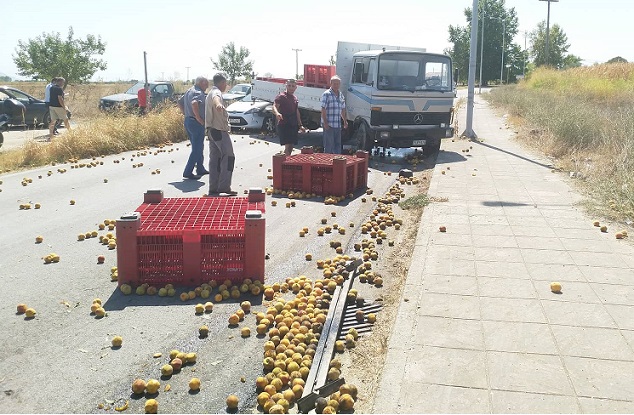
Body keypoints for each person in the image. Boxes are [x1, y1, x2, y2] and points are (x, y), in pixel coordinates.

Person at [204, 73, 236, 196]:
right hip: (219, 131)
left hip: (211, 131)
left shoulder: (210, 92)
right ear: (222, 83)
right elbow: (216, 99)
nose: (226, 86)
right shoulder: (216, 93)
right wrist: (218, 105)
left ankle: (214, 188)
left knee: (215, 160)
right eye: (225, 84)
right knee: (228, 157)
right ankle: (224, 187)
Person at [178, 76, 209, 180]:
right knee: (197, 148)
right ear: (201, 82)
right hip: (195, 123)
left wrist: (185, 113)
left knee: (198, 146)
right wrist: (198, 117)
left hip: (188, 121)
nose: (207, 85)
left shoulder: (189, 91)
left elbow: (179, 102)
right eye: (206, 83)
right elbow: (194, 103)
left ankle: (200, 168)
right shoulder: (198, 92)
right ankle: (188, 171)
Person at [273, 79, 306, 156]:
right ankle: (284, 163)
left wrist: (300, 125)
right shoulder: (281, 96)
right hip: (284, 124)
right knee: (287, 146)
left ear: (296, 87)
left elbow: (296, 111)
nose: (291, 88)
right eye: (289, 86)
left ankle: (285, 160)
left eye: (293, 86)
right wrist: (277, 113)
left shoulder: (295, 98)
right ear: (286, 86)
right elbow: (274, 106)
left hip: (293, 124)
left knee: (291, 146)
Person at [320, 75, 347, 154]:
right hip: (329, 124)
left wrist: (345, 121)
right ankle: (327, 163)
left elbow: (343, 109)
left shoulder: (341, 95)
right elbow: (323, 109)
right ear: (331, 83)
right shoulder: (326, 94)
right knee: (329, 145)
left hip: (337, 124)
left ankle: (337, 162)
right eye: (334, 83)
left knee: (337, 144)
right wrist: (325, 123)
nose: (336, 85)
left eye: (338, 84)